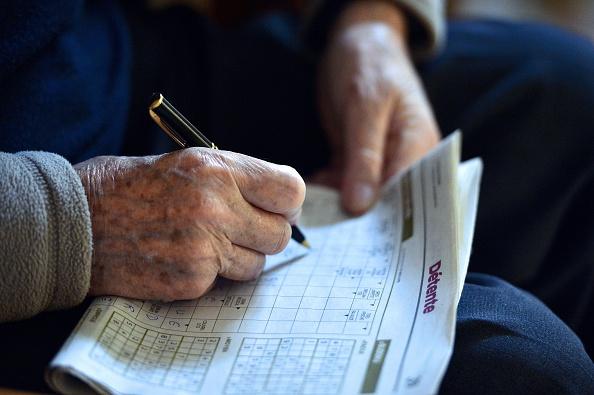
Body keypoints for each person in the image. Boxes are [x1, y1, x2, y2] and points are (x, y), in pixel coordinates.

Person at [0, 0, 593, 393]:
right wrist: (66, 222)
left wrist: (368, 21)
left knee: (572, 98)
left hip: (121, 62)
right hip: (36, 251)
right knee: (520, 365)